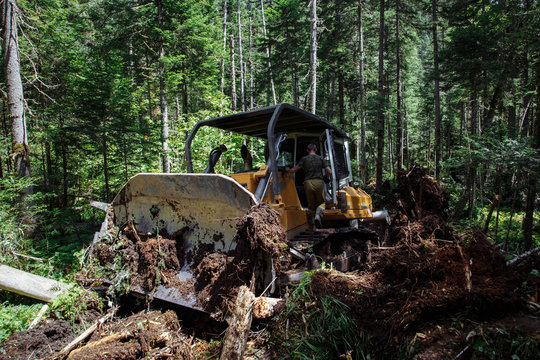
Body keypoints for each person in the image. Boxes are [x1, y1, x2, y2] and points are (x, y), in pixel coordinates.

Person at [286, 144, 331, 228]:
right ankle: (318, 215)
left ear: (307, 150)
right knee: (321, 202)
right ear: (316, 149)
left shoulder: (304, 159)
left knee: (311, 205)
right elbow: (329, 171)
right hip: (318, 182)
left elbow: (294, 170)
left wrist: (288, 170)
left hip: (307, 183)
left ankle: (314, 225)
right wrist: (324, 176)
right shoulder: (321, 158)